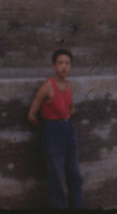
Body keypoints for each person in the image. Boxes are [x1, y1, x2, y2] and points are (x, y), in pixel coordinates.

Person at [28, 49, 83, 208]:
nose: (64, 67)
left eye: (67, 63)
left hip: (68, 130)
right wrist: (46, 130)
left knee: (75, 175)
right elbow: (31, 115)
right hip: (52, 131)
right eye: (60, 63)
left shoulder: (68, 85)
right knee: (56, 178)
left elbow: (72, 108)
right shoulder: (47, 87)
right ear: (54, 65)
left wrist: (64, 120)